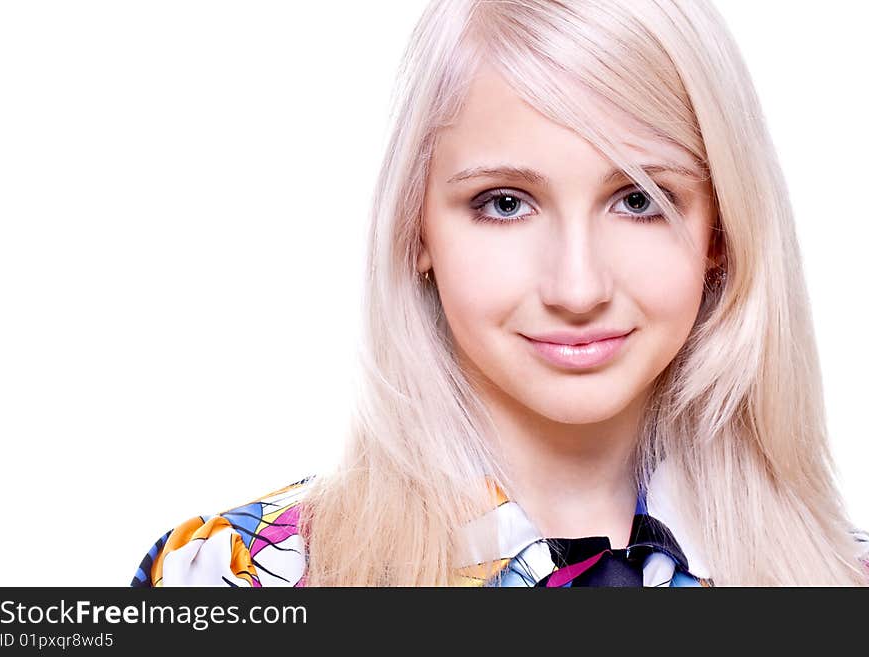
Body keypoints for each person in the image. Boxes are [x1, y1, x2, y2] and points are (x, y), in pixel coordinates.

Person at [131, 0, 869, 588]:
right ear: (416, 227)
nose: (577, 286)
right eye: (505, 202)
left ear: (721, 228)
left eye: (640, 199)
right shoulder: (233, 580)